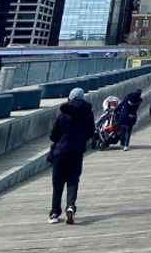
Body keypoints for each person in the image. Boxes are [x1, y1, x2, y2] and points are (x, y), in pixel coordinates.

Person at [48, 87, 95, 225]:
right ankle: (70, 206)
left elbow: (53, 135)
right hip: (77, 152)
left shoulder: (63, 113)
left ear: (70, 97)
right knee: (73, 181)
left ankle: (55, 213)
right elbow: (90, 132)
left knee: (58, 183)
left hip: (60, 152)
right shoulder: (88, 113)